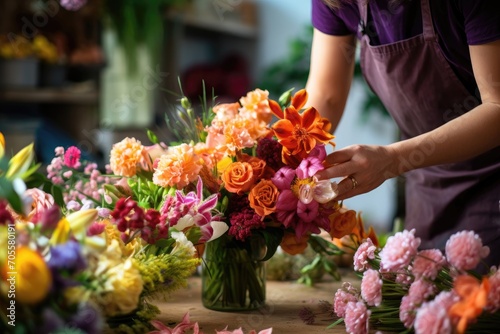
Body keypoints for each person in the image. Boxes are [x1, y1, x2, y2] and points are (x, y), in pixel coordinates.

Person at [307, 0, 500, 268]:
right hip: (427, 180)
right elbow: (326, 95)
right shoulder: (336, 2)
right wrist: (284, 165)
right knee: (424, 297)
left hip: (493, 178)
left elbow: (497, 106)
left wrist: (393, 159)